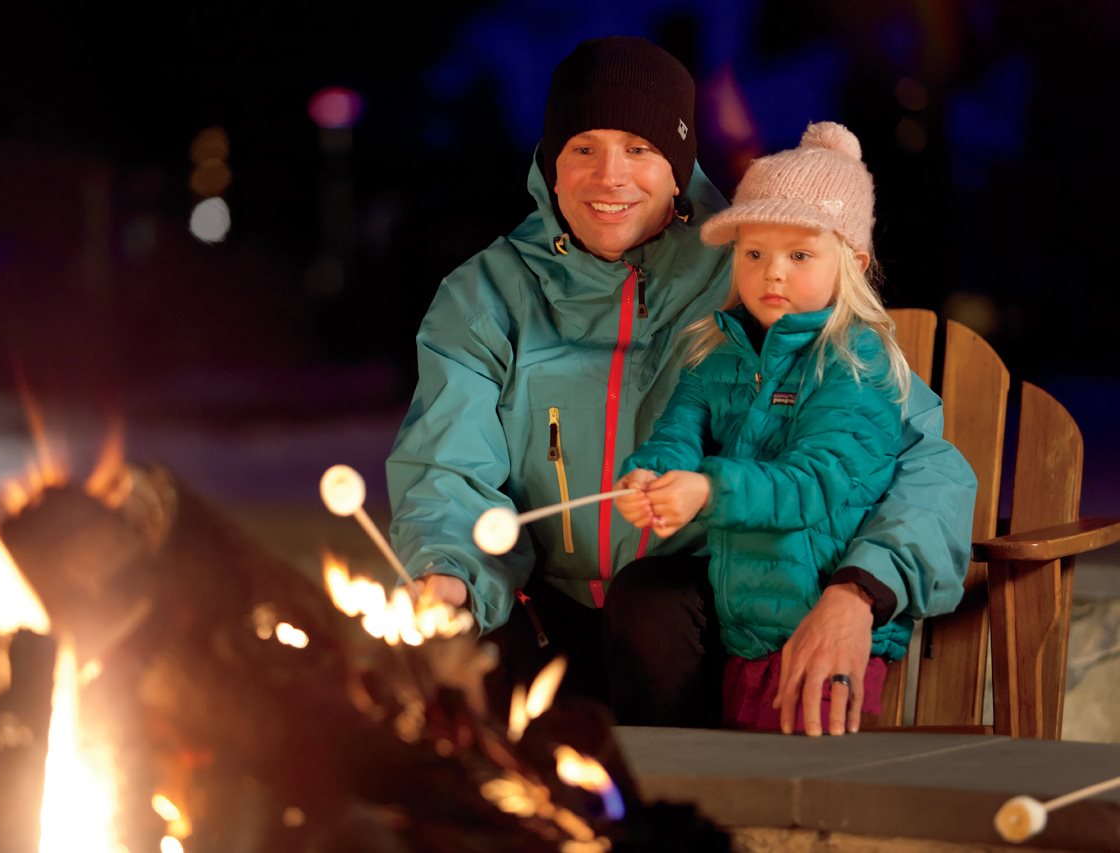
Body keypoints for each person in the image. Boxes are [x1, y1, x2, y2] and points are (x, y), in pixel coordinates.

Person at [385, 35, 976, 735]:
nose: (610, 176)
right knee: (464, 687)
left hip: (700, 614)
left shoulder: (752, 271)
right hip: (543, 608)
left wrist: (856, 593)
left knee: (650, 604)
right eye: (584, 147)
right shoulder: (489, 295)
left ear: (680, 163)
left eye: (640, 147)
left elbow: (923, 463)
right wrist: (447, 572)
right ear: (549, 160)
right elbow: (447, 463)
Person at [614, 121, 920, 733]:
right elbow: (680, 430)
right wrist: (648, 474)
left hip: (819, 621)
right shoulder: (717, 352)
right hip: (744, 619)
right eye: (754, 254)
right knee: (739, 772)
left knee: (803, 782)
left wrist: (708, 489)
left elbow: (816, 483)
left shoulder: (855, 365)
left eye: (799, 255)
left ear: (852, 261)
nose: (771, 273)